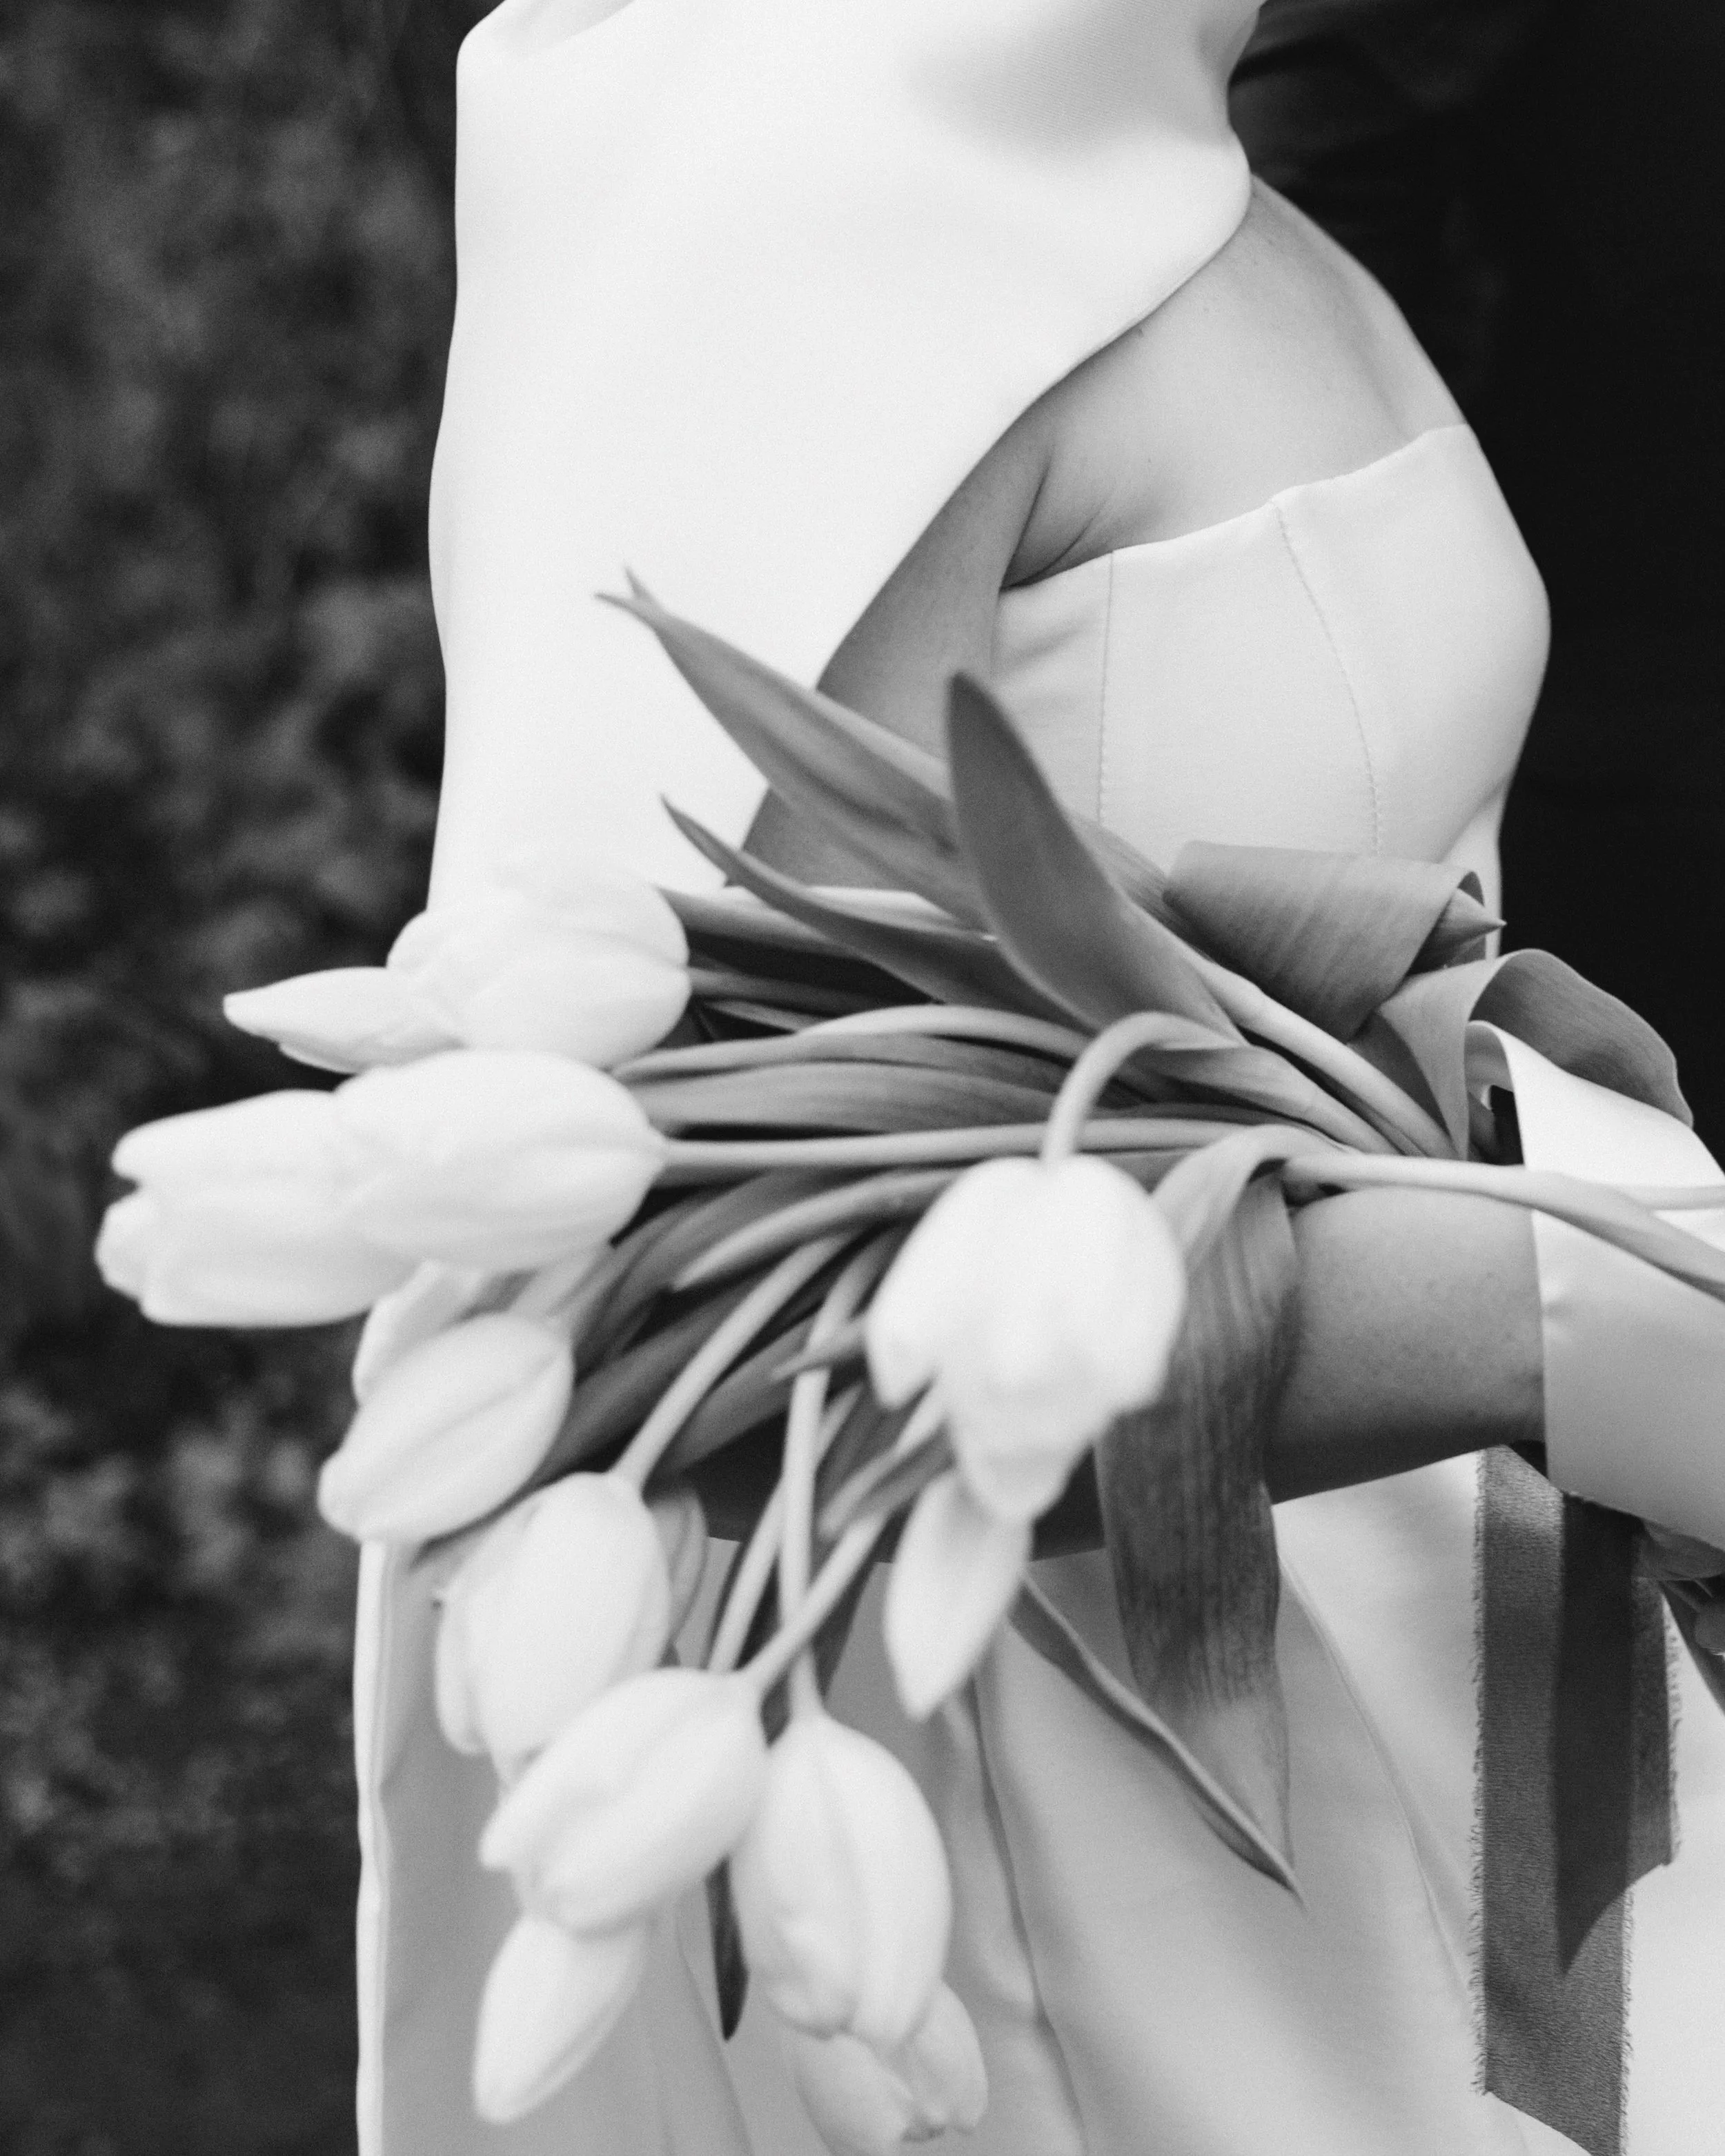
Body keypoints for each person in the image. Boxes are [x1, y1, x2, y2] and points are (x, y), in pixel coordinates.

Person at [358, 3, 1725, 2151]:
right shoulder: (800, 140)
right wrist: (1616, 1310)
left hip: (1398, 1711)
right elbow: (694, 1320)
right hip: (1098, 1846)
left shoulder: (1173, 116)